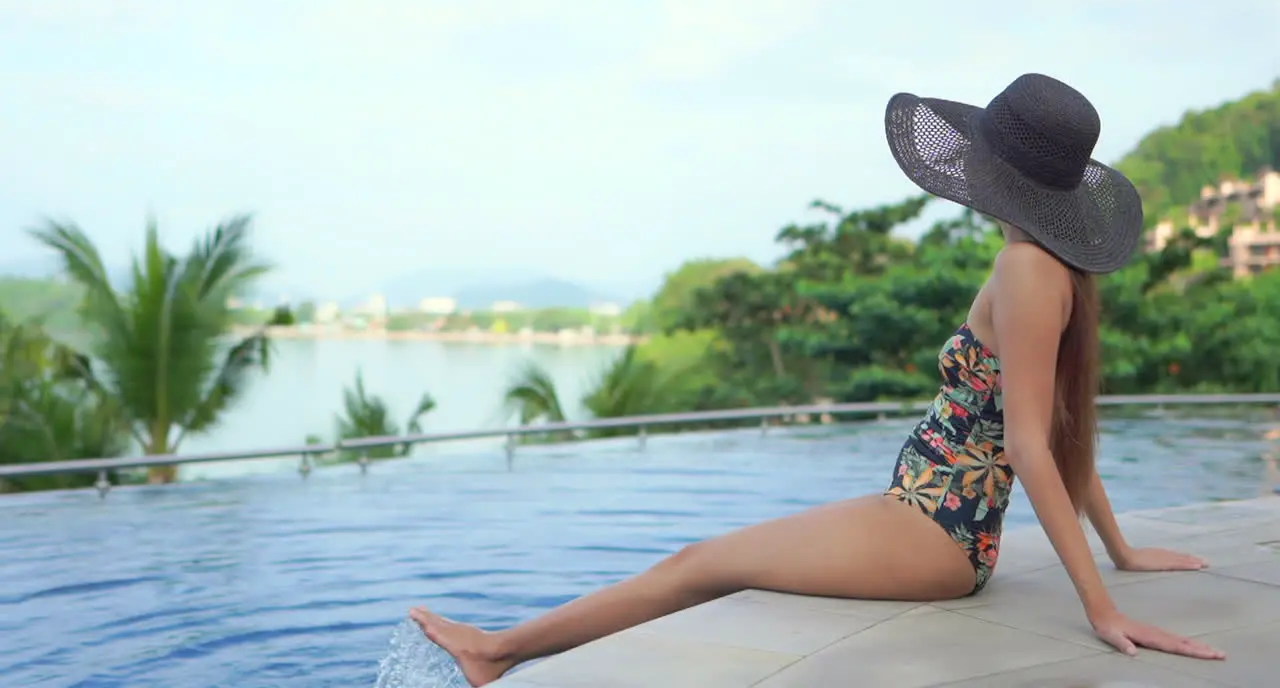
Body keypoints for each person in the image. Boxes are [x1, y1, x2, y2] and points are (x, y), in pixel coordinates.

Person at [409, 73, 1226, 686]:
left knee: (701, 562)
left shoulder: (1023, 270)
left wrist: (1102, 605)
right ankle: (501, 649)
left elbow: (1031, 443)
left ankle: (497, 651)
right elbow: (1060, 426)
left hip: (935, 530)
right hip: (929, 520)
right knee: (704, 561)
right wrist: (1117, 550)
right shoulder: (1055, 272)